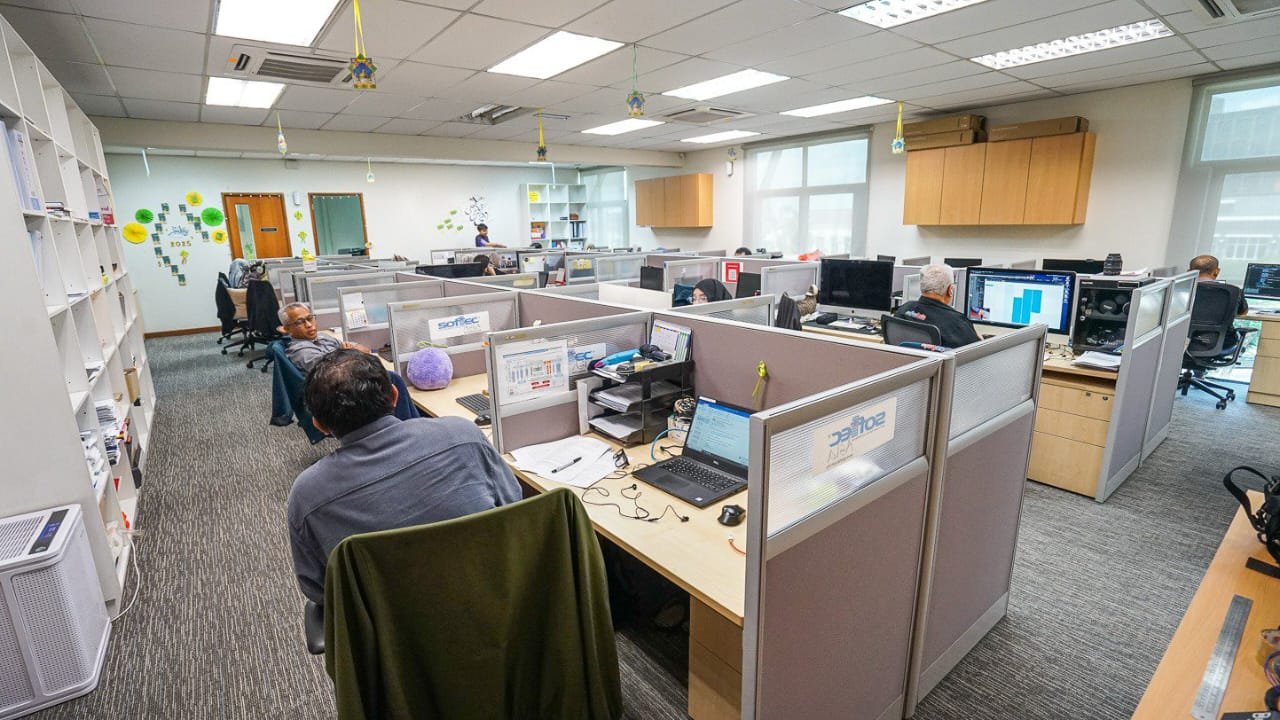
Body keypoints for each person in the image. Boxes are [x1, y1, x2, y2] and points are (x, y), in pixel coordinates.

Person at [286, 350, 522, 604]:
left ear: (319, 425)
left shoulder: (307, 494)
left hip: (390, 626)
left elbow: (319, 590)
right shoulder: (464, 435)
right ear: (395, 395)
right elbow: (513, 506)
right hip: (497, 606)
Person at [893, 264, 980, 348]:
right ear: (950, 290)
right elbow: (976, 352)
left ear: (922, 287)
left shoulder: (904, 310)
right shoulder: (958, 323)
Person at [278, 302, 369, 372]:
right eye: (299, 322)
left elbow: (365, 350)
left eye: (310, 318)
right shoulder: (300, 351)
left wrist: (348, 354)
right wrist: (348, 353)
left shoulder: (322, 336)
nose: (309, 325)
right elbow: (332, 373)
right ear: (287, 329)